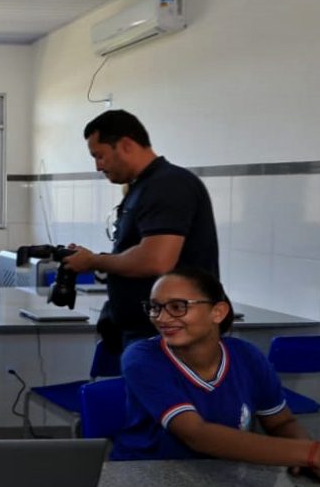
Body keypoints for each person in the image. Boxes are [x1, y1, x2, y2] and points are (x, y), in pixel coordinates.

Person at [112, 267, 320, 486]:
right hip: (148, 480)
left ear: (218, 312)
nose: (162, 318)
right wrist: (313, 453)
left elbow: (282, 421)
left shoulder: (247, 356)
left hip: (226, 478)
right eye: (155, 307)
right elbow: (196, 434)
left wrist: (311, 457)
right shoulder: (143, 358)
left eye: (177, 306)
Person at [62, 109, 219, 349]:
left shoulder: (168, 184)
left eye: (100, 156)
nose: (97, 166)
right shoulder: (142, 188)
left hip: (169, 332)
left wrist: (94, 261)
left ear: (125, 145)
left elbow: (155, 260)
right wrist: (96, 259)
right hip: (146, 329)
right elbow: (139, 251)